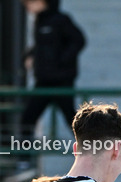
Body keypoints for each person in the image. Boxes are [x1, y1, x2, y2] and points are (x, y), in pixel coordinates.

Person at [19, 0, 85, 135]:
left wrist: (61, 61)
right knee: (28, 118)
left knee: (72, 120)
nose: (28, 6)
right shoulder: (39, 21)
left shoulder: (61, 20)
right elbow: (42, 46)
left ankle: (91, 152)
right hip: (43, 81)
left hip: (62, 80)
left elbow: (78, 40)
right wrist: (30, 56)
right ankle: (24, 155)